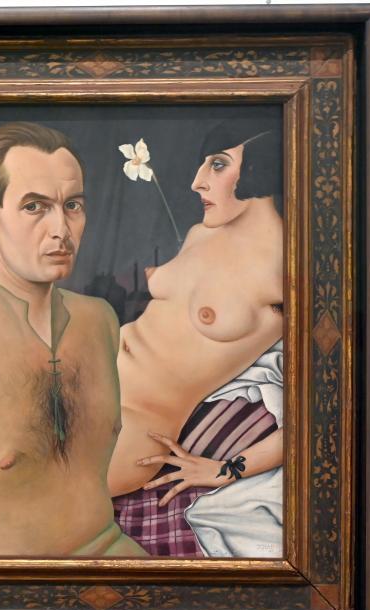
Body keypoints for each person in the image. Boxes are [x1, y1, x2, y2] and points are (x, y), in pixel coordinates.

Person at [0, 122, 146, 556]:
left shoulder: (100, 321)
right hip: (18, 591)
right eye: (35, 207)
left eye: (72, 205)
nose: (61, 229)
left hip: (121, 562)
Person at [108, 122, 286, 519]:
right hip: (82, 372)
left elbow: (324, 414)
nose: (196, 182)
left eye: (217, 165)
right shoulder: (199, 234)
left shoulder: (286, 272)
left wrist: (226, 470)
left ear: (260, 168)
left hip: (131, 422)